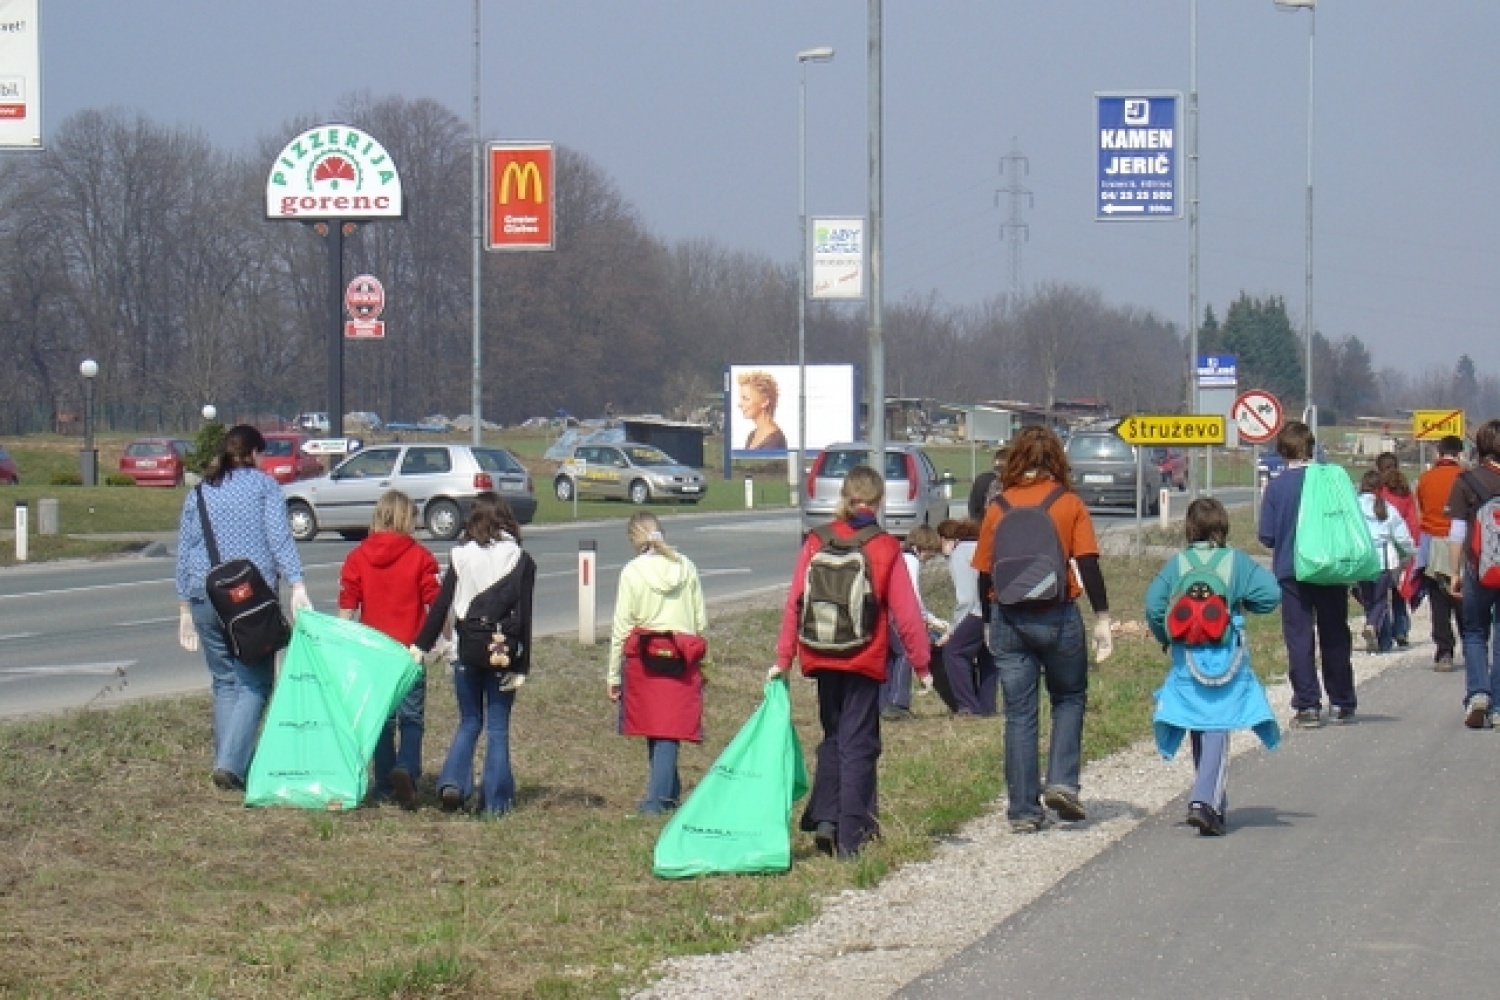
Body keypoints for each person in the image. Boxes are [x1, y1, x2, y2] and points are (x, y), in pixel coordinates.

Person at [770, 465, 934, 858]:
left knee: (833, 735)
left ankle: (826, 819)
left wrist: (784, 657)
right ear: (879, 501)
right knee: (858, 743)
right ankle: (850, 837)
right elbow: (907, 614)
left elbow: (795, 602)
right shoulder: (885, 546)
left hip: (820, 652)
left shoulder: (817, 539)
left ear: (843, 495)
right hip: (862, 656)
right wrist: (922, 665)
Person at [971, 425, 1114, 833]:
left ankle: (1022, 810)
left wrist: (987, 621)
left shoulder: (998, 507)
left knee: (1019, 713)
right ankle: (1062, 782)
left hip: (1008, 618)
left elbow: (984, 573)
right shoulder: (1068, 503)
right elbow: (1088, 563)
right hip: (1058, 614)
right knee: (1068, 696)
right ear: (1057, 459)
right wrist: (1103, 617)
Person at [175, 424, 311, 792]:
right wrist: (297, 582)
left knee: (224, 682)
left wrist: (184, 605)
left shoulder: (200, 492)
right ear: (252, 453)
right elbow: (278, 539)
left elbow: (185, 549)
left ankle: (227, 760)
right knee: (256, 682)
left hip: (205, 595)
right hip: (249, 600)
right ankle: (231, 764)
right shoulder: (264, 487)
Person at [1146, 498, 1281, 837]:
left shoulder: (1179, 563)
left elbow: (1153, 604)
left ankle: (1209, 800)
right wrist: (1241, 605)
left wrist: (1167, 634)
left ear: (1190, 528)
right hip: (1225, 654)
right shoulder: (1236, 561)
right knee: (1218, 724)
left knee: (1198, 721)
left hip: (1187, 653)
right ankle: (1205, 801)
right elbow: (1271, 594)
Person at [412, 493, 536, 815]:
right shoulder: (520, 559)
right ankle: (496, 802)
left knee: (469, 721)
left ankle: (453, 782)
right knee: (497, 728)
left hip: (466, 648)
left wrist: (421, 645)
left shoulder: (461, 555)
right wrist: (522, 665)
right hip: (501, 650)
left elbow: (441, 605)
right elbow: (524, 617)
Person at [337, 490, 441, 810]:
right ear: (406, 519)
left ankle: (383, 784)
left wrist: (340, 641)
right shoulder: (421, 557)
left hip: (373, 652)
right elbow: (436, 603)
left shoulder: (358, 556)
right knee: (411, 718)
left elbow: (348, 604)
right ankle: (407, 767)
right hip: (410, 651)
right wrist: (447, 638)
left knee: (381, 720)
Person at [606, 512, 709, 814]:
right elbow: (700, 620)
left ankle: (657, 801)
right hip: (681, 654)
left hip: (645, 656)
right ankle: (668, 791)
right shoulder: (686, 566)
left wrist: (613, 674)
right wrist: (704, 663)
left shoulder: (632, 572)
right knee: (667, 727)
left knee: (658, 728)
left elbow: (622, 626)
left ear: (633, 539)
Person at [1257, 421, 1356, 728]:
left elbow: (1267, 536)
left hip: (1293, 571)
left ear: (1282, 451)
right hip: (1330, 568)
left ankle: (1308, 704)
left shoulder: (1277, 487)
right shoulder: (1331, 481)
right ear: (1312, 448)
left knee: (1299, 637)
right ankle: (1341, 701)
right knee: (1335, 633)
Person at [1445, 419, 1500, 729]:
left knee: (1475, 631)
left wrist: (1454, 571)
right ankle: (1499, 706)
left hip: (1478, 567)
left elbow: (1456, 531)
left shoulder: (1467, 480)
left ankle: (1479, 693)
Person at [880, 525, 946, 722]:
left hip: (885, 614)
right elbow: (912, 597)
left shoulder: (900, 556)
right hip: (898, 616)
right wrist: (930, 619)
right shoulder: (911, 561)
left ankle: (882, 702)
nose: (930, 558)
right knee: (905, 654)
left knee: (890, 658)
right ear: (923, 547)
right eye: (931, 552)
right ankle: (897, 702)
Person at [1415, 434, 1467, 670]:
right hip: (1460, 544)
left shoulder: (1425, 478)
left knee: (1438, 602)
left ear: (1438, 453)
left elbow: (1422, 508)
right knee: (1463, 598)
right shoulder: (1466, 478)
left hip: (1433, 543)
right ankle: (1471, 645)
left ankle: (1444, 652)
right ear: (1460, 454)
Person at [936, 518, 998, 716]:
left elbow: (967, 598)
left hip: (977, 611)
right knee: (987, 655)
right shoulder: (981, 546)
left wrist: (953, 630)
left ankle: (967, 706)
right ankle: (986, 706)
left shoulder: (960, 553)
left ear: (946, 539)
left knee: (954, 652)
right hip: (996, 609)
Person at [1356, 469, 1414, 655]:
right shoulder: (1387, 508)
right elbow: (1402, 536)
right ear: (1380, 488)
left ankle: (1379, 640)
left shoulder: (1354, 506)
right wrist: (1412, 551)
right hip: (1383, 559)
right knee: (1380, 600)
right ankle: (1372, 626)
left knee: (1368, 600)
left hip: (1362, 560)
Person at [1375, 452, 1419, 647]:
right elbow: (1413, 520)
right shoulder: (1405, 491)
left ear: (1379, 468)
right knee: (1399, 592)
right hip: (1403, 547)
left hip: (1383, 548)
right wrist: (1413, 546)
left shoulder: (1378, 491)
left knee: (1381, 594)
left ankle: (1383, 632)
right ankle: (1401, 629)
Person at [737, 370, 787, 451]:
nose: (739, 404)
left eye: (746, 399)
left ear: (765, 402)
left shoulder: (774, 441)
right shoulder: (752, 435)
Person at [966, 447, 1008, 521]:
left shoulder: (981, 479)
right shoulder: (1010, 481)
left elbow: (973, 507)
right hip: (1002, 522)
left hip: (982, 522)